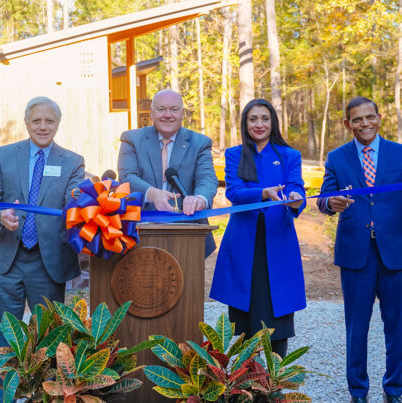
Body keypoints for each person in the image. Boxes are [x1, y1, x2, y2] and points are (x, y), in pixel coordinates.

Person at [0, 96, 84, 401]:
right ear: (26, 123)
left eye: (49, 121)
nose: (42, 126)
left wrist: (84, 199)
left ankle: (45, 398)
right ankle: (6, 398)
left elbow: (74, 201)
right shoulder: (4, 155)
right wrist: (1, 215)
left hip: (48, 262)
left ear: (57, 124)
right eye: (36, 120)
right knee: (5, 339)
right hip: (7, 261)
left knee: (49, 340)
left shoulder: (72, 161)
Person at [317, 97, 402, 403]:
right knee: (357, 329)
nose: (365, 124)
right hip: (356, 256)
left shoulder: (399, 154)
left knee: (398, 328)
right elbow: (323, 198)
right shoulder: (337, 158)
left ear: (380, 118)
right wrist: (331, 203)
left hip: (395, 254)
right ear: (347, 124)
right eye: (357, 119)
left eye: (370, 117)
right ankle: (358, 392)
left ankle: (394, 390)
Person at [210, 99, 306, 359]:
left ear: (273, 121)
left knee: (279, 314)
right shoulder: (234, 154)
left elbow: (297, 188)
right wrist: (263, 193)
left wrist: (296, 197)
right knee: (243, 317)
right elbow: (234, 192)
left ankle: (274, 381)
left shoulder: (289, 155)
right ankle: (245, 382)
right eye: (253, 119)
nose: (259, 124)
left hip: (279, 240)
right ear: (245, 123)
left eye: (265, 118)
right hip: (243, 243)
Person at [117, 89, 218, 255]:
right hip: (138, 231)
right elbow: (127, 176)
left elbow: (207, 179)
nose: (168, 114)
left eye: (174, 109)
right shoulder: (131, 139)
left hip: (188, 234)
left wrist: (199, 199)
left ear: (182, 113)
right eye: (161, 109)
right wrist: (152, 194)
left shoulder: (200, 143)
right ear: (151, 113)